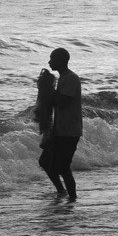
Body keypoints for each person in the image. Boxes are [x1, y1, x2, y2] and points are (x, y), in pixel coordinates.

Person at [38, 48, 82, 201]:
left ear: (62, 60)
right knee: (44, 162)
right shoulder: (62, 78)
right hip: (58, 130)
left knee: (63, 167)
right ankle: (61, 191)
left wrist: (47, 91)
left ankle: (72, 199)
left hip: (69, 131)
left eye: (52, 59)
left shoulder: (71, 78)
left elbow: (62, 102)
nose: (49, 62)